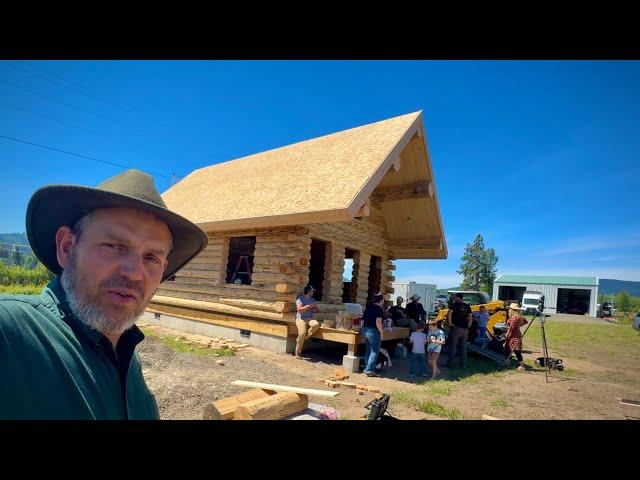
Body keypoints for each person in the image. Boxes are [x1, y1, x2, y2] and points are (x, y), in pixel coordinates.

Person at [0, 169, 208, 419]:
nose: (134, 274)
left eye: (151, 257)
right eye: (115, 246)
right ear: (67, 247)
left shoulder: (128, 355)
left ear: (163, 269)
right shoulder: (10, 330)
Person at [445, 292, 473, 369]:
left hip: (456, 328)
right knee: (464, 347)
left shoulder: (454, 305)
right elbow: (470, 317)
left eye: (455, 297)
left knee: (453, 346)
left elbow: (449, 313)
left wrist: (450, 323)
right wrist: (468, 326)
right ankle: (463, 365)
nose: (454, 298)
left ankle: (450, 364)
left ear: (458, 298)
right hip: (465, 329)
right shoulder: (467, 306)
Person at [362, 293, 385, 377]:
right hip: (373, 331)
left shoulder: (368, 308)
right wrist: (381, 332)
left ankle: (366, 367)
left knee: (368, 350)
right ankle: (369, 370)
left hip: (365, 329)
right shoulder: (379, 309)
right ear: (381, 300)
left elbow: (362, 321)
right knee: (375, 351)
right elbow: (378, 322)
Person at [295, 285, 319, 358]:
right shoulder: (300, 299)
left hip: (309, 318)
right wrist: (309, 306)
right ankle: (298, 352)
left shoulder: (313, 300)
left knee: (316, 325)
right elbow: (299, 310)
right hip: (300, 319)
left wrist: (315, 308)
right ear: (309, 291)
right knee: (302, 333)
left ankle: (306, 337)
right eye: (312, 291)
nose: (313, 292)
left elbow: (316, 310)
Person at [504, 302, 529, 371]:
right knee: (512, 350)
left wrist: (506, 334)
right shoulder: (519, 317)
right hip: (517, 334)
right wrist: (518, 327)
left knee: (512, 350)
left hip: (512, 335)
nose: (509, 310)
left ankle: (522, 366)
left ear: (512, 310)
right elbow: (525, 322)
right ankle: (508, 364)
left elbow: (511, 328)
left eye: (510, 309)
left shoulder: (513, 318)